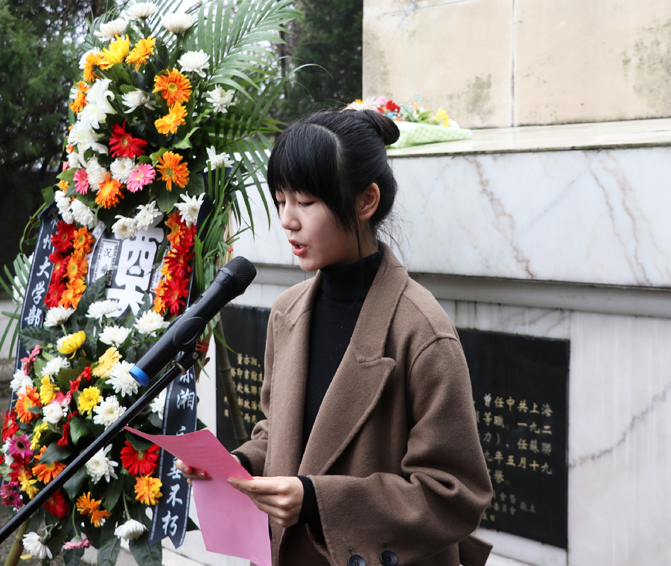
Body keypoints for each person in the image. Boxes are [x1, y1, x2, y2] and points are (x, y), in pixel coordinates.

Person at [176, 109, 493, 566]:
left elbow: (455, 493)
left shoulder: (421, 330)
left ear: (366, 201)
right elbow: (279, 432)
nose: (287, 220)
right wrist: (239, 465)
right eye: (281, 200)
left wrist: (317, 501)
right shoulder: (287, 312)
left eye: (305, 202)